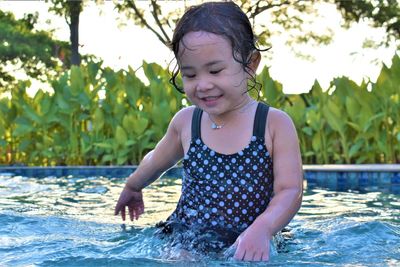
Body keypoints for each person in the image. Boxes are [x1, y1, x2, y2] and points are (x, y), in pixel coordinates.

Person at [114, 1, 303, 262]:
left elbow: (290, 190)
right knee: (180, 259)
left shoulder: (273, 124)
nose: (202, 85)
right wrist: (133, 185)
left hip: (252, 238)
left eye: (215, 70)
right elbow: (156, 160)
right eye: (190, 75)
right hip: (188, 238)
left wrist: (263, 228)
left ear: (250, 64)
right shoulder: (187, 122)